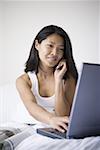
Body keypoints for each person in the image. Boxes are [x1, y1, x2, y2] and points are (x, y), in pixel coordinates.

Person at [16, 25, 78, 133]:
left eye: (61, 49)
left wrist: (58, 81)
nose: (55, 53)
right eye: (50, 46)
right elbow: (31, 106)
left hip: (54, 129)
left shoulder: (68, 78)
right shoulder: (24, 80)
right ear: (37, 45)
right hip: (25, 127)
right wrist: (51, 119)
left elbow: (63, 115)